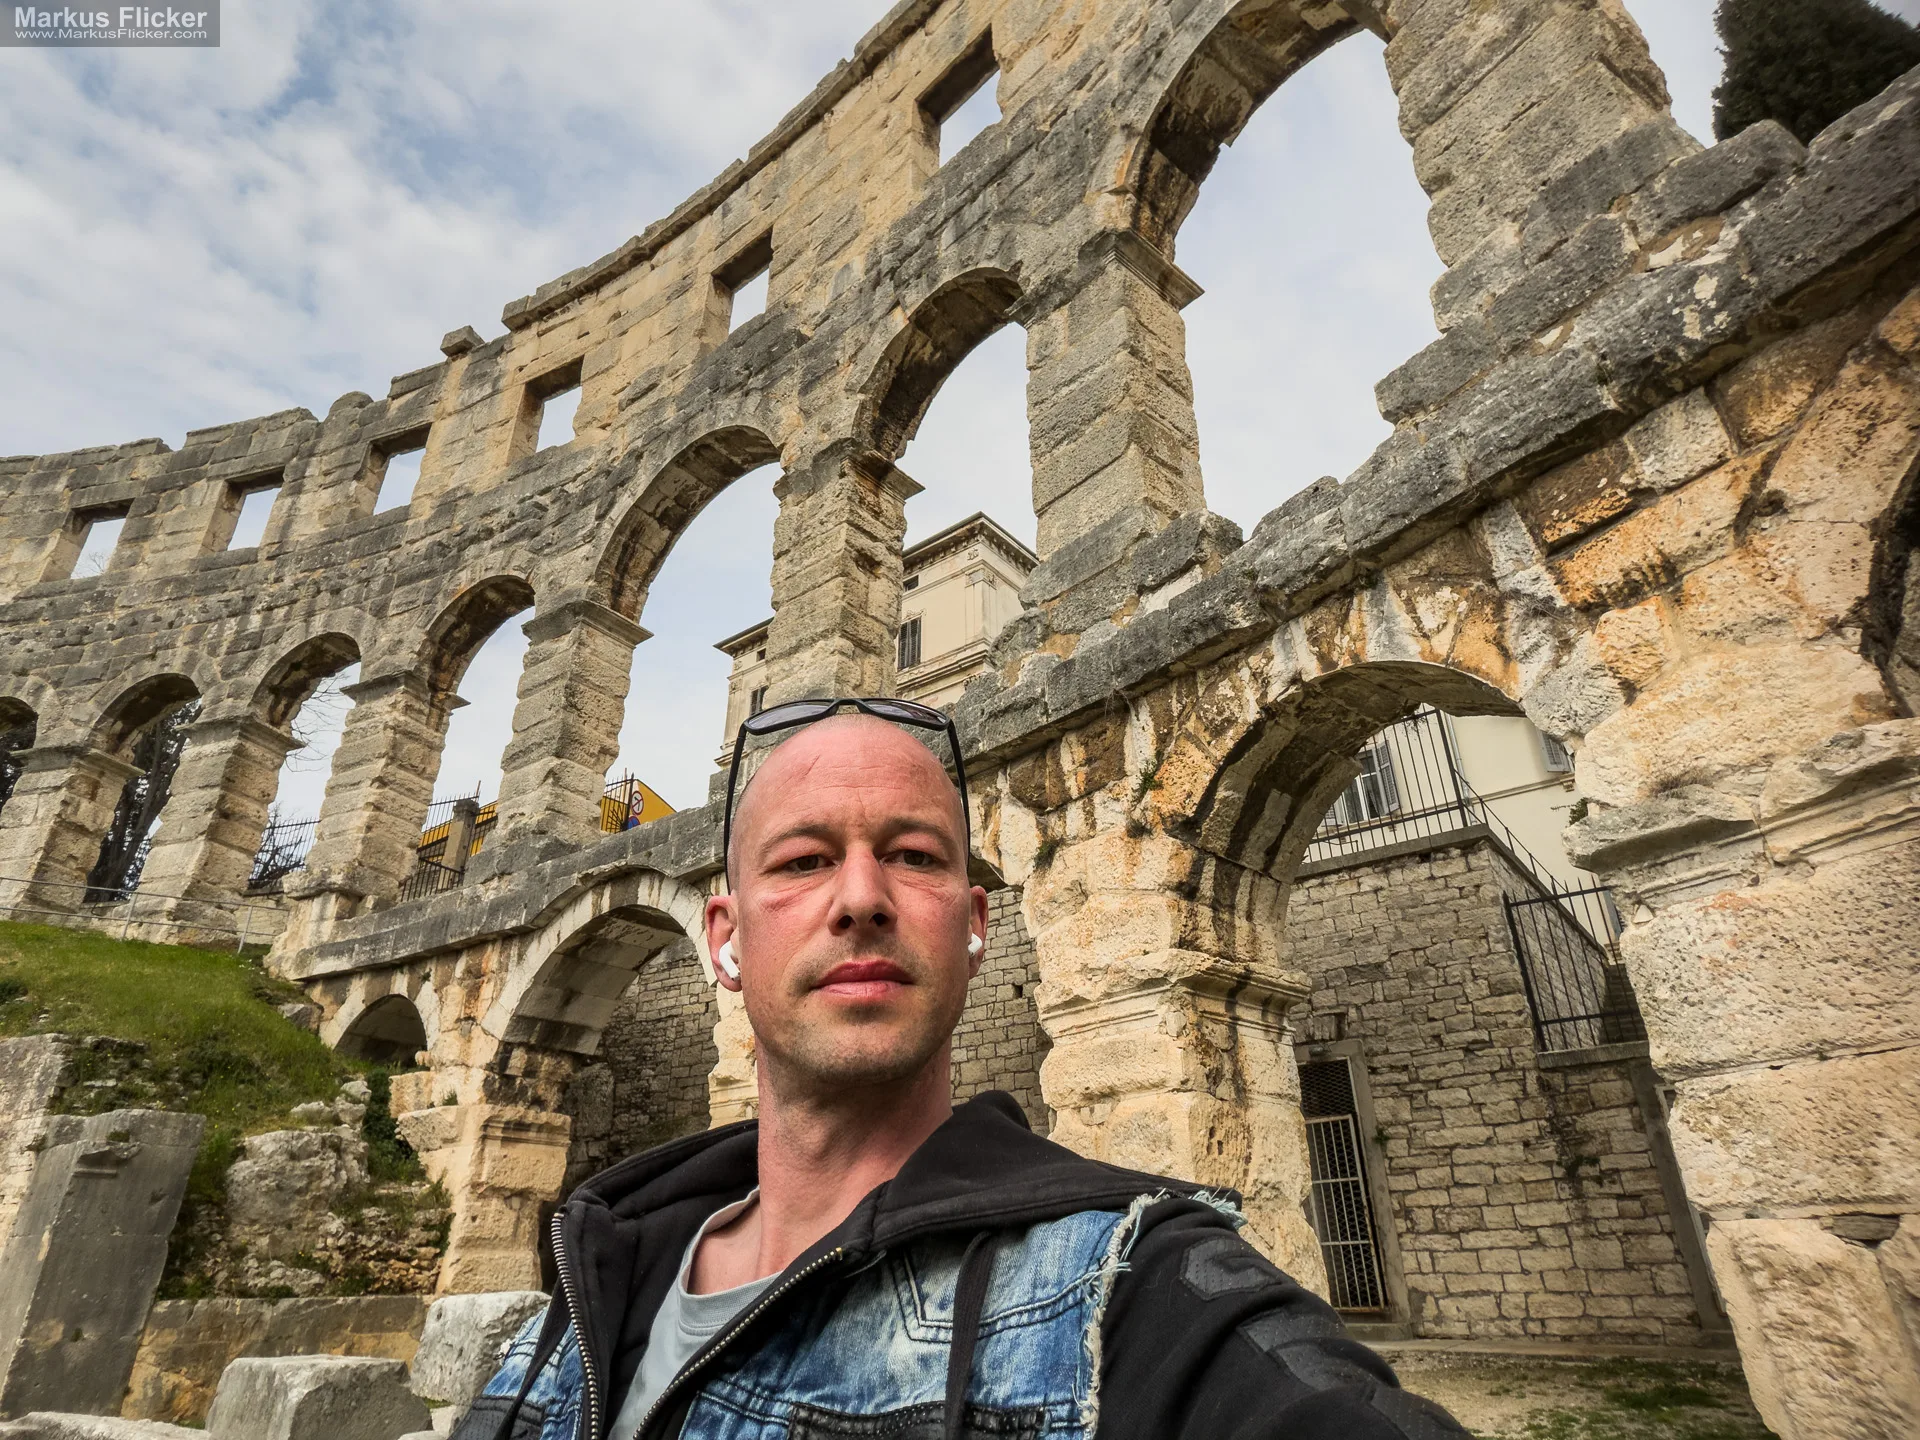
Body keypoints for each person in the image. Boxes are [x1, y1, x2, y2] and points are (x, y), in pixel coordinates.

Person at [458, 699, 1467, 1440]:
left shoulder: (1139, 1288)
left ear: (976, 926)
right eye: (804, 860)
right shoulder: (581, 1297)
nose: (861, 897)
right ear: (721, 939)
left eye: (913, 856)